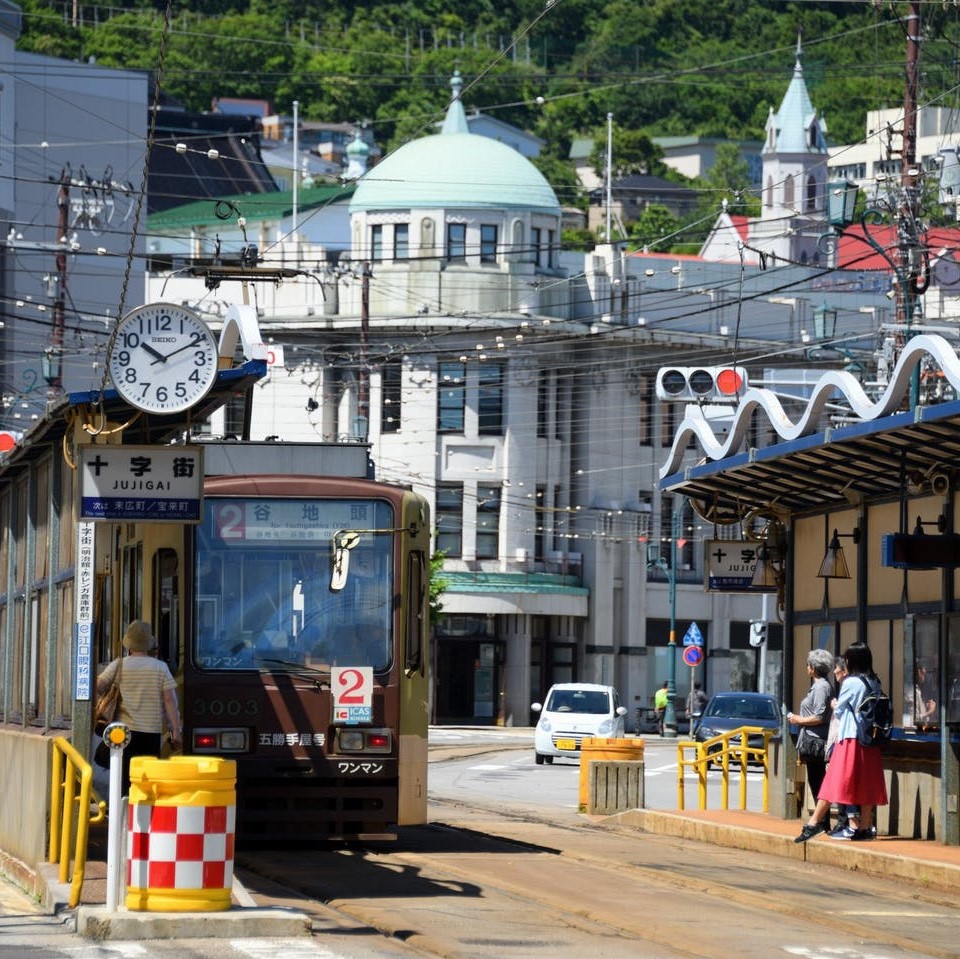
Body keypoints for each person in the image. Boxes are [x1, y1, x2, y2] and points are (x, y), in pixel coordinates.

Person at [794, 642, 888, 843]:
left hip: (850, 737)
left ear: (853, 660)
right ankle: (864, 827)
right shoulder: (874, 680)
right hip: (869, 739)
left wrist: (835, 704)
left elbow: (839, 709)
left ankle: (814, 823)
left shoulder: (851, 682)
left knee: (834, 780)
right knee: (866, 783)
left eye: (847, 658)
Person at [95, 620, 182, 794]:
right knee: (144, 779)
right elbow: (170, 701)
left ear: (129, 644)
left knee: (124, 777)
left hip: (123, 734)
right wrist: (175, 731)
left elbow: (98, 686)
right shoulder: (161, 668)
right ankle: (142, 814)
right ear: (149, 645)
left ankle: (122, 815)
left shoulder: (119, 665)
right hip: (150, 733)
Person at [786, 648, 834, 819]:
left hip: (816, 740)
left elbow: (820, 716)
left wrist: (797, 719)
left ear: (813, 667)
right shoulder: (819, 685)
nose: (806, 667)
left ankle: (822, 821)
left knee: (818, 780)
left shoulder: (821, 687)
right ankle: (822, 820)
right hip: (812, 738)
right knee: (815, 779)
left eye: (808, 664)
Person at [911, 661, 937, 726]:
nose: (924, 673)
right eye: (922, 672)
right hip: (920, 706)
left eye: (924, 672)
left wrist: (930, 701)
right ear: (919, 672)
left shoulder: (929, 679)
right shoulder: (914, 684)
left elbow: (932, 694)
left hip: (926, 703)